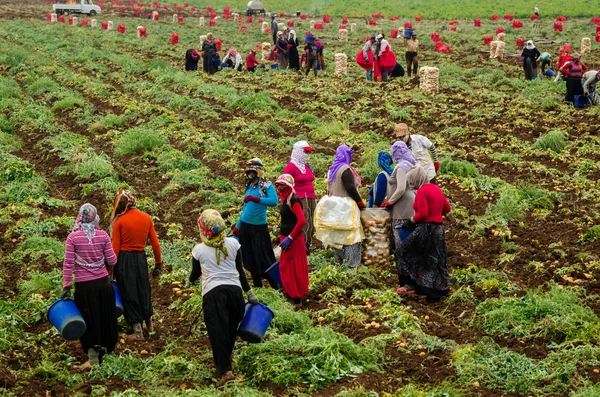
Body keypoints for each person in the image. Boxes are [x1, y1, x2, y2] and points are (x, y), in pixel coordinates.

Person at [189, 209, 259, 388]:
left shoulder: (199, 250)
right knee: (229, 328)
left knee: (217, 332)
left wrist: (189, 281)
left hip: (214, 294)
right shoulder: (234, 244)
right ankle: (225, 360)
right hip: (235, 293)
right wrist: (249, 293)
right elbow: (240, 271)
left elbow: (195, 274)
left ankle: (225, 371)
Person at [61, 203, 118, 369]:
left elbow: (68, 263)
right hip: (103, 286)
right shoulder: (103, 236)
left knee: (90, 320)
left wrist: (66, 286)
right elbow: (112, 260)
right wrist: (103, 266)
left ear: (80, 216)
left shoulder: (73, 238)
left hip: (84, 288)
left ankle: (93, 360)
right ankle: (108, 353)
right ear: (95, 217)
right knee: (105, 317)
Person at [110, 190, 162, 340]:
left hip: (124, 260)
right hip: (140, 258)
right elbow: (155, 243)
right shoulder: (146, 218)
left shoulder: (119, 222)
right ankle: (149, 325)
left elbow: (115, 248)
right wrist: (158, 263)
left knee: (129, 291)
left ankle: (137, 331)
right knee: (143, 288)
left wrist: (110, 268)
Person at [395, 166, 451, 303]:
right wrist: (436, 214)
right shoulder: (436, 188)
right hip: (438, 229)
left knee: (404, 251)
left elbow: (423, 214)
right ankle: (439, 290)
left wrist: (410, 221)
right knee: (436, 259)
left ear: (416, 179)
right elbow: (447, 208)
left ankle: (413, 284)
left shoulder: (422, 191)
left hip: (425, 228)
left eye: (412, 181)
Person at [232, 158, 279, 288]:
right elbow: (245, 209)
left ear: (258, 171)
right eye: (248, 172)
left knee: (263, 257)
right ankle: (258, 285)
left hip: (259, 228)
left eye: (252, 171)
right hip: (246, 227)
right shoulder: (249, 186)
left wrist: (256, 199)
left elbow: (274, 201)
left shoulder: (266, 185)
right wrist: (238, 227)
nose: (249, 174)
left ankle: (275, 285)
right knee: (249, 256)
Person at [327, 145, 365, 268]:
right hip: (346, 208)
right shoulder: (345, 169)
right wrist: (360, 203)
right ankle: (351, 265)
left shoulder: (333, 169)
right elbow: (350, 188)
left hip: (335, 207)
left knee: (338, 235)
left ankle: (339, 261)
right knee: (351, 236)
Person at [274, 174, 309, 304]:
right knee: (287, 266)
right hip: (287, 238)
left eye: (282, 185)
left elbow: (302, 221)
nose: (279, 187)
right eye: (278, 185)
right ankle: (291, 292)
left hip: (293, 240)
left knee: (291, 266)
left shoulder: (293, 199)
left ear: (288, 186)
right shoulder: (285, 199)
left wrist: (290, 237)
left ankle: (295, 295)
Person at [380, 142, 417, 250]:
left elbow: (401, 188)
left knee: (401, 237)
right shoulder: (411, 164)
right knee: (410, 236)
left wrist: (389, 202)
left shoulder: (402, 167)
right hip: (410, 203)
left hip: (402, 207)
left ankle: (404, 263)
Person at [283, 141, 316, 253]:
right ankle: (301, 248)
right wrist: (287, 202)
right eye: (305, 151)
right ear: (298, 152)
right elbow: (284, 185)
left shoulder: (306, 166)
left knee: (311, 223)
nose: (307, 154)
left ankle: (307, 246)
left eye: (308, 152)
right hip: (300, 199)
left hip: (310, 198)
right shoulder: (291, 167)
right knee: (304, 223)